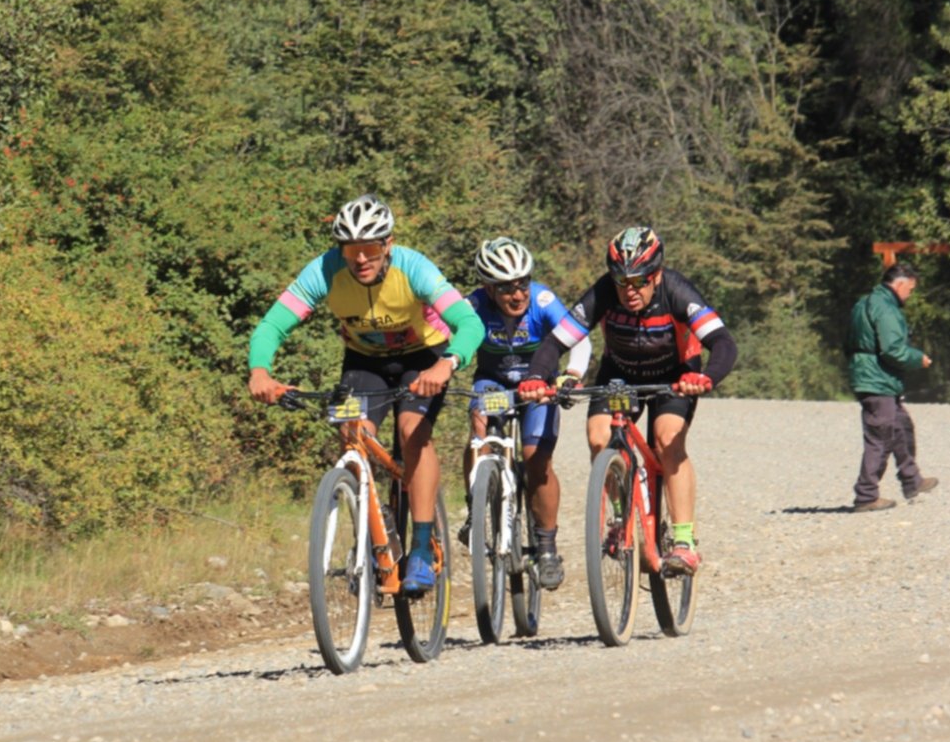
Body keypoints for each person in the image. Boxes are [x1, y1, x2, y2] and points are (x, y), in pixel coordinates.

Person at [248, 194, 485, 594]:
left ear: (388, 244)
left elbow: (469, 323)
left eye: (371, 248)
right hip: (365, 362)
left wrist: (447, 363)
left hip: (422, 359)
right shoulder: (324, 270)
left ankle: (423, 547)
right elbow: (272, 325)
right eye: (351, 250)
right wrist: (260, 372)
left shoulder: (414, 267)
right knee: (351, 434)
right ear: (340, 250)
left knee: (413, 431)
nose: (361, 259)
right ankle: (378, 536)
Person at [517, 225, 737, 577]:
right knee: (599, 438)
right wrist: (533, 377)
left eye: (639, 280)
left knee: (667, 439)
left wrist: (706, 377)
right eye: (622, 281)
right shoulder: (604, 292)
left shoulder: (677, 291)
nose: (630, 290)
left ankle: (683, 541)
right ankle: (620, 518)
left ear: (657, 274)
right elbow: (556, 342)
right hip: (619, 376)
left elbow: (724, 342)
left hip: (675, 376)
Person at [456, 237, 593, 590]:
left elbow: (580, 339)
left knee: (536, 460)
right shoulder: (471, 305)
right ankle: (476, 508)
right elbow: (443, 337)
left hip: (539, 385)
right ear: (488, 288)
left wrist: (571, 376)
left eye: (523, 284)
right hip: (492, 382)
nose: (517, 295)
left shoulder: (544, 301)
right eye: (505, 288)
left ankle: (546, 548)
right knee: (479, 437)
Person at [845, 261, 937, 512]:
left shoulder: (863, 303)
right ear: (899, 284)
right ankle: (866, 496)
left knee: (901, 427)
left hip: (873, 378)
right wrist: (918, 358)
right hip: (878, 381)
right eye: (911, 289)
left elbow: (850, 342)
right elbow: (892, 350)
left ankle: (912, 480)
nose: (910, 294)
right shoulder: (885, 308)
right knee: (881, 437)